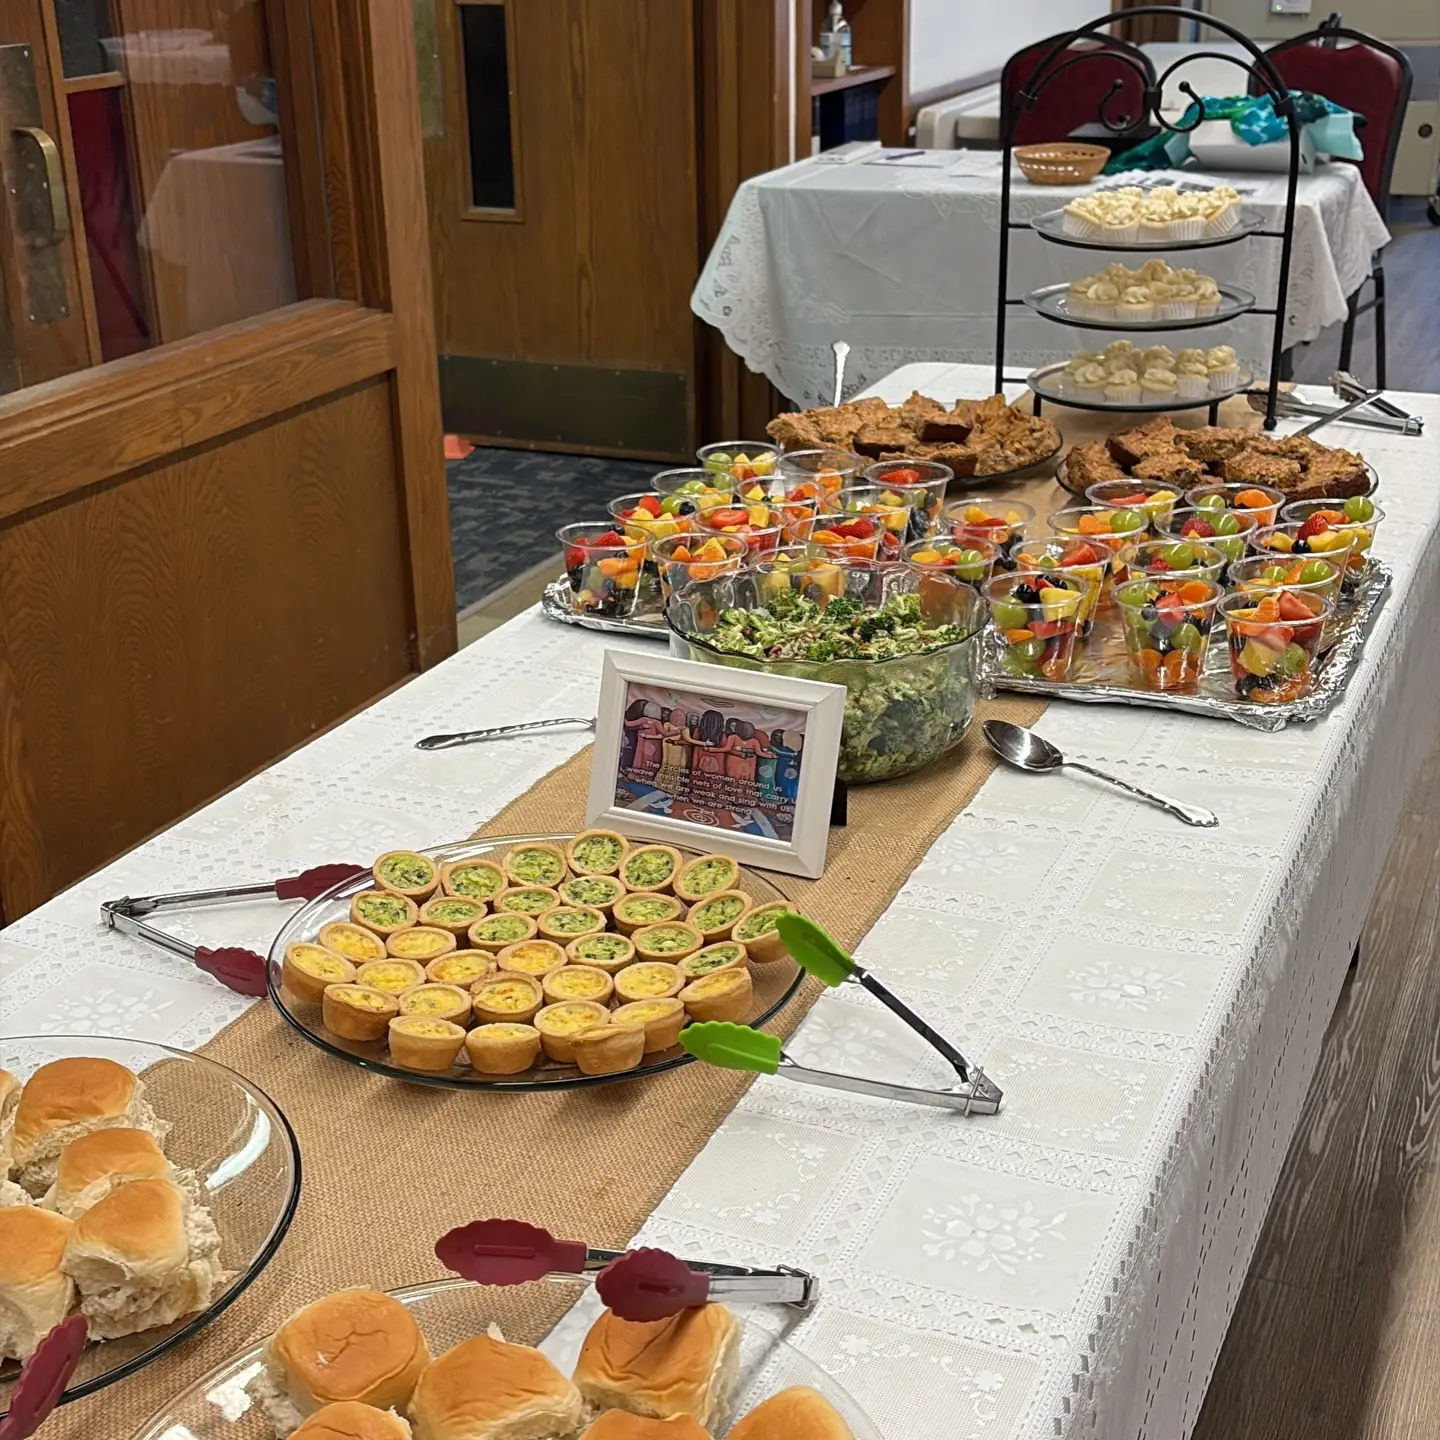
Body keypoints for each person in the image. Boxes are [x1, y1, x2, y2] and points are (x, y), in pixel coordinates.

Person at [623, 700, 666, 779]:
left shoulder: (645, 720)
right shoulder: (657, 722)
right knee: (646, 759)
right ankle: (645, 776)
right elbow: (663, 734)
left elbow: (628, 724)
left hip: (645, 745)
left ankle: (638, 775)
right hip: (650, 745)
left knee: (640, 758)